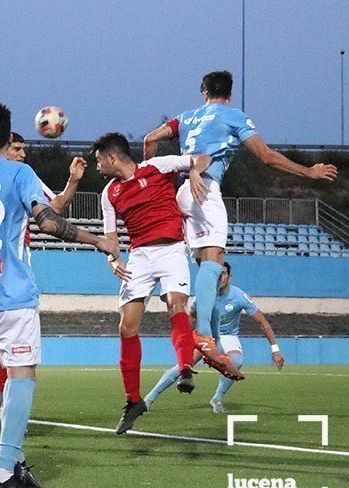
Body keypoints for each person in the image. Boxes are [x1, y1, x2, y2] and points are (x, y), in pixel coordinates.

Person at [0, 102, 118, 488]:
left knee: (13, 367)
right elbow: (49, 222)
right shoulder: (19, 173)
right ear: (9, 137)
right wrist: (97, 240)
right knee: (23, 375)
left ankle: (14, 462)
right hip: (12, 291)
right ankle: (3, 473)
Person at [143, 70, 337, 370]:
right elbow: (267, 157)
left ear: (203, 92)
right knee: (214, 262)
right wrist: (309, 172)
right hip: (205, 189)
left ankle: (204, 336)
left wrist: (154, 181)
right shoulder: (234, 117)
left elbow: (149, 138)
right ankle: (205, 337)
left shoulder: (185, 118)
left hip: (183, 192)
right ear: (230, 95)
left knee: (205, 269)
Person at [91, 132, 239, 435]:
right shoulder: (109, 193)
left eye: (98, 161)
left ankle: (185, 368)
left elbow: (202, 158)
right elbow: (110, 238)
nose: (97, 167)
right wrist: (111, 260)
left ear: (111, 157)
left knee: (176, 305)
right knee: (126, 327)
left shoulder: (158, 166)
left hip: (172, 249)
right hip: (139, 257)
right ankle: (133, 401)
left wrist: (195, 170)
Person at [0, 131, 84, 418]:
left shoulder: (18, 174)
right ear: (3, 148)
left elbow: (55, 207)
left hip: (12, 258)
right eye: (17, 148)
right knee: (10, 332)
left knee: (7, 329)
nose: (22, 154)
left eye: (23, 149)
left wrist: (73, 181)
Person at [144, 262, 285, 413]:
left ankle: (217, 398)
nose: (219, 277)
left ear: (229, 277)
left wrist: (275, 349)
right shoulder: (204, 295)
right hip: (205, 335)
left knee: (236, 362)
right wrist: (186, 342)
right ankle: (148, 399)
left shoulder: (239, 296)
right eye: (216, 274)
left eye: (223, 274)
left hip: (228, 336)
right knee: (181, 367)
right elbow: (192, 317)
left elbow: (262, 322)